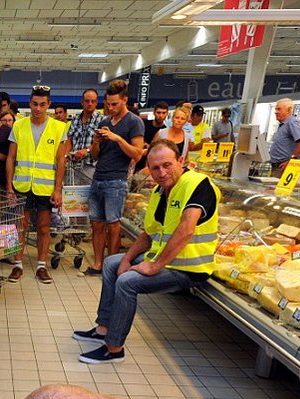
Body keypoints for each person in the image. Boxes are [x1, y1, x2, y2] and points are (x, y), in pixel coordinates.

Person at [73, 139, 220, 364]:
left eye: (167, 165)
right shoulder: (160, 192)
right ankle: (103, 328)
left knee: (127, 282)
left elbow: (187, 230)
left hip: (189, 267)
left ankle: (114, 348)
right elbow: (149, 233)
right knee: (113, 263)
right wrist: (128, 258)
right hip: (166, 260)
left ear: (181, 161)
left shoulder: (197, 185)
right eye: (155, 168)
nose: (161, 172)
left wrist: (154, 266)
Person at [5, 85, 70, 284]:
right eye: (35, 104)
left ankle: (41, 266)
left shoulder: (59, 128)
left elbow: (61, 161)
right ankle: (17, 265)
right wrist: (9, 186)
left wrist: (58, 189)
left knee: (43, 227)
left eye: (42, 104)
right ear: (29, 103)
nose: (38, 108)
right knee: (20, 227)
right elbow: (11, 157)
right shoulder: (18, 125)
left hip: (45, 186)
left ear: (48, 104)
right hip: (22, 184)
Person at [85, 79, 144, 275]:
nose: (110, 108)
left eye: (114, 104)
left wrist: (117, 138)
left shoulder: (134, 122)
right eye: (107, 104)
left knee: (113, 225)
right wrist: (95, 142)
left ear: (125, 100)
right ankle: (98, 264)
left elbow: (137, 154)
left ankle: (113, 266)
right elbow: (95, 156)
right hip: (98, 177)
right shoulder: (104, 122)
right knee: (96, 224)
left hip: (116, 181)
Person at [67, 88, 101, 180]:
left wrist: (87, 150)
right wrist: (67, 155)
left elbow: (102, 143)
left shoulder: (102, 120)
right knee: (71, 193)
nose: (90, 104)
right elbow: (69, 140)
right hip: (73, 166)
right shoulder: (75, 120)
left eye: (93, 101)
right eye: (87, 101)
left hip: (91, 167)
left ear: (96, 103)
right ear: (82, 102)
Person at [269, 98, 300, 170]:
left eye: (279, 109)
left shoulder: (292, 122)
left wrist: (292, 159)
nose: (275, 112)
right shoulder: (283, 124)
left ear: (288, 110)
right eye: (276, 109)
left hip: (284, 166)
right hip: (278, 165)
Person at [134, 101, 169, 173]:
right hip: (135, 159)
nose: (161, 115)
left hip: (150, 164)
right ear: (154, 112)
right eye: (158, 112)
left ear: (167, 114)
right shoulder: (143, 123)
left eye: (163, 113)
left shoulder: (164, 131)